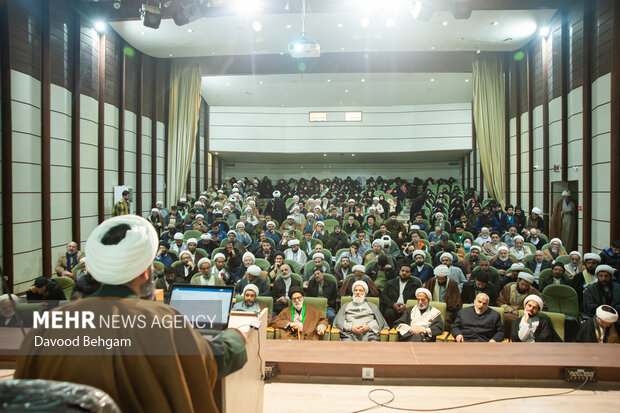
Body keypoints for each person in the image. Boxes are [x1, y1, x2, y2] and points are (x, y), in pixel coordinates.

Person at [15, 215, 247, 413]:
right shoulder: (163, 321)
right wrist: (237, 337)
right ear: (146, 273)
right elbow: (209, 360)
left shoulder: (49, 324)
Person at [424, 265, 461, 330]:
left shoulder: (452, 283)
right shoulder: (432, 281)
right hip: (431, 308)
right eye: (439, 279)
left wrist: (444, 306)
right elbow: (426, 295)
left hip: (447, 309)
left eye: (442, 279)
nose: (440, 281)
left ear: (446, 277)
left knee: (445, 320)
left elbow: (455, 300)